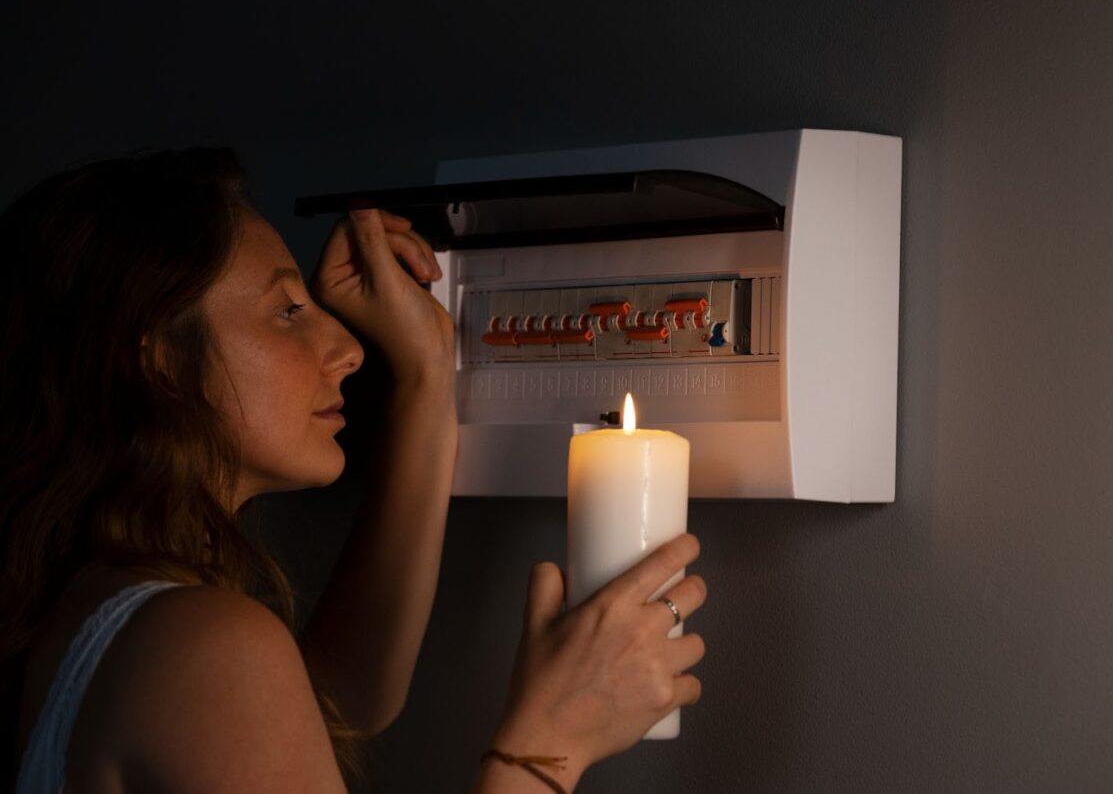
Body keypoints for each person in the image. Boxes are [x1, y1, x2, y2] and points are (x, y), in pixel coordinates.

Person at [0, 148, 708, 793]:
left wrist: (427, 374)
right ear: (160, 364)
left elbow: (339, 697)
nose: (347, 345)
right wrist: (550, 739)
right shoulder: (200, 643)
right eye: (286, 309)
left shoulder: (96, 608)